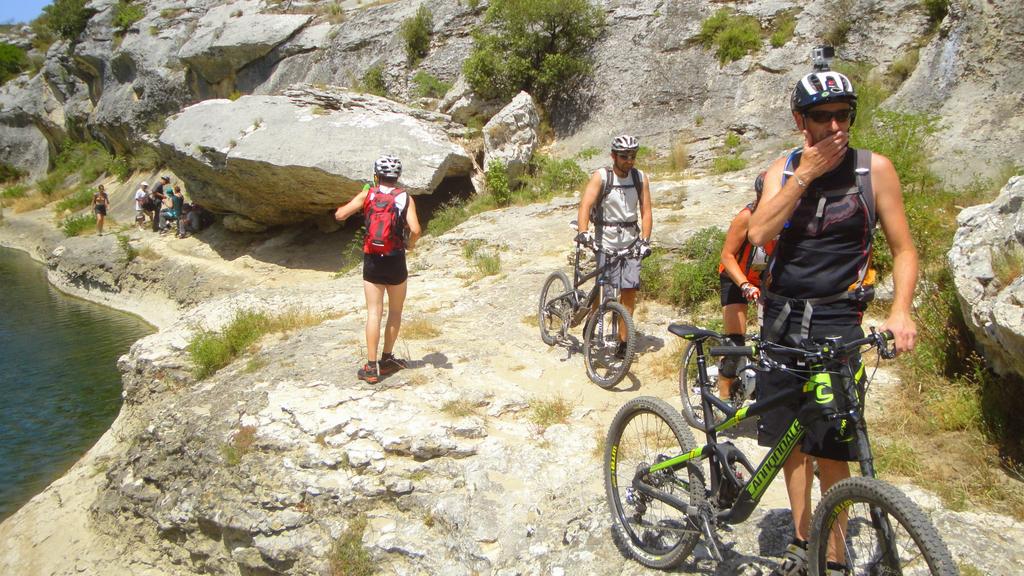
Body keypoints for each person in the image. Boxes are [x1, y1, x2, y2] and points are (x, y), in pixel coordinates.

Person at [747, 64, 918, 576]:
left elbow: (904, 249)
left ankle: (835, 557)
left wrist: (900, 310)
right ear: (802, 121)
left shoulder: (874, 170)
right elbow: (758, 233)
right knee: (790, 440)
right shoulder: (783, 169)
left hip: (837, 320)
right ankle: (804, 540)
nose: (836, 127)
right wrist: (804, 176)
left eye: (844, 116)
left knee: (834, 440)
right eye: (823, 117)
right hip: (780, 320)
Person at [334, 155, 422, 384]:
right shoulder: (405, 197)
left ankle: (371, 368)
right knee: (394, 312)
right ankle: (387, 359)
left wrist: (362, 199)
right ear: (397, 176)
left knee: (374, 313)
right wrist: (409, 246)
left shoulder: (368, 194)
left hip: (372, 259)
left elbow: (340, 215)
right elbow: (416, 229)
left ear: (377, 174)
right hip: (395, 260)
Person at [575, 135, 653, 357]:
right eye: (624, 156)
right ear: (613, 156)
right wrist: (584, 232)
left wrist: (645, 241)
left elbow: (646, 212)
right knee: (605, 291)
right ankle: (591, 323)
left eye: (633, 156)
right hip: (605, 241)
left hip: (630, 241)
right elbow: (585, 205)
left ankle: (622, 343)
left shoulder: (640, 178)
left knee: (629, 292)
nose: (629, 160)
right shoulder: (601, 177)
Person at [715, 171, 775, 401]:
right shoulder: (746, 217)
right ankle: (723, 398)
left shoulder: (783, 217)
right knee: (735, 343)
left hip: (763, 280)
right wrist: (744, 285)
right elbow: (727, 256)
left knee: (772, 342)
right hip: (735, 279)